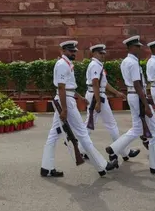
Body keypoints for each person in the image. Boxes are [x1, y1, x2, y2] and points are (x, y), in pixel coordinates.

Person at [40, 40, 115, 178]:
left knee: (54, 135)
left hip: (66, 98)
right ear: (63, 51)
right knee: (82, 133)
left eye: (74, 51)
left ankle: (46, 167)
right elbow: (62, 88)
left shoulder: (66, 64)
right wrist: (64, 109)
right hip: (65, 102)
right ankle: (102, 165)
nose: (73, 53)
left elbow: (68, 87)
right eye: (70, 51)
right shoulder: (63, 64)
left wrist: (80, 97)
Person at [106, 36, 155, 174]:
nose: (139, 48)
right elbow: (137, 84)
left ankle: (114, 148)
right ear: (130, 47)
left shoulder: (126, 61)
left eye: (139, 46)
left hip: (133, 95)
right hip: (138, 97)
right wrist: (146, 104)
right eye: (137, 46)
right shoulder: (133, 63)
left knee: (137, 128)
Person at [84, 44, 140, 160]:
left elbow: (104, 83)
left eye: (104, 53)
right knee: (110, 125)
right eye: (100, 53)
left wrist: (116, 93)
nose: (103, 55)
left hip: (96, 95)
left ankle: (81, 148)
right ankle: (121, 151)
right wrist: (98, 101)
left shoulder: (97, 65)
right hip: (97, 96)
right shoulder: (95, 65)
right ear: (94, 53)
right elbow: (95, 83)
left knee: (89, 125)